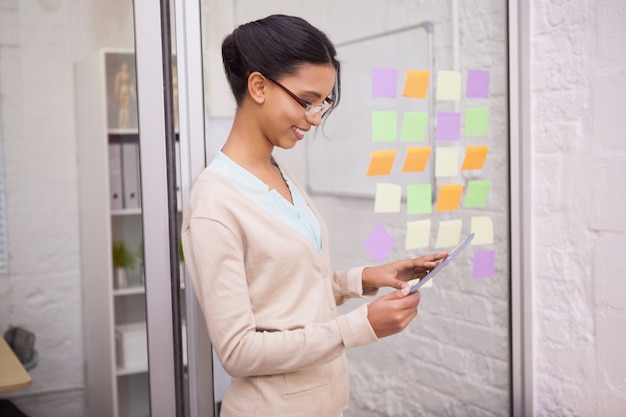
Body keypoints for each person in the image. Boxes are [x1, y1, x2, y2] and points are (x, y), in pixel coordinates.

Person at [181, 14, 447, 417]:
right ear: (258, 86)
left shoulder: (279, 173)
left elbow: (285, 290)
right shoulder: (214, 204)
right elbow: (238, 351)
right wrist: (361, 326)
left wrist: (368, 278)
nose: (316, 117)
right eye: (306, 101)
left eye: (323, 103)